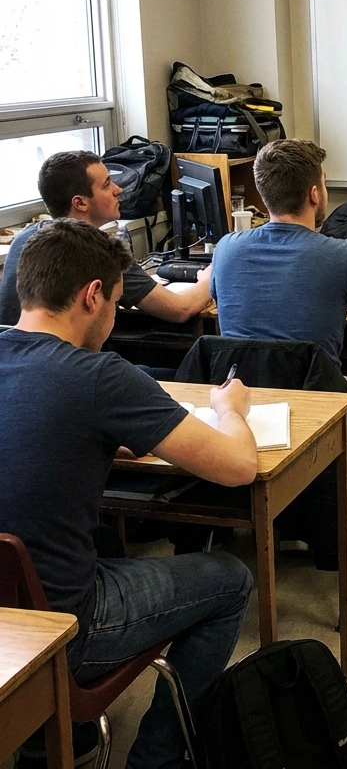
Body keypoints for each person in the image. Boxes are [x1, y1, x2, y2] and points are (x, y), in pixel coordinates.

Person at [0, 219, 257, 768]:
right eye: (118, 303)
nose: (116, 320)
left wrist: (94, 443)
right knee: (232, 580)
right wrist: (228, 412)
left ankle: (44, 739)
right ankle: (159, 757)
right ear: (93, 295)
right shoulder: (100, 377)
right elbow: (238, 467)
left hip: (6, 625)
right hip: (65, 628)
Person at [210, 138, 347, 548]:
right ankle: (346, 517)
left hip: (241, 400)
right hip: (315, 404)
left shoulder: (227, 248)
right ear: (314, 193)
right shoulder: (341, 255)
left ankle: (301, 505)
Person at [0, 150, 212, 326]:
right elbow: (180, 309)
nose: (118, 190)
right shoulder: (96, 251)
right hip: (68, 368)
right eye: (107, 184)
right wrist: (210, 278)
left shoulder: (26, 238)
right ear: (80, 203)